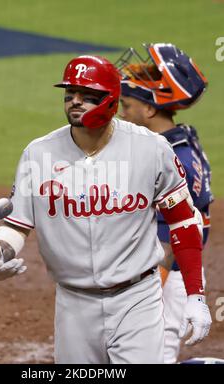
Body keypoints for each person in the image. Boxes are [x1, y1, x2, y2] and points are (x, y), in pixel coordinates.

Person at [0, 54, 212, 364]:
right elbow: (17, 224)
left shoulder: (151, 149)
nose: (75, 102)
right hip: (73, 304)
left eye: (87, 96)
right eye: (69, 95)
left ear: (111, 101)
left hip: (137, 300)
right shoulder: (38, 154)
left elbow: (182, 222)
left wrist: (195, 295)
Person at [115, 43, 214, 363]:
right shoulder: (175, 139)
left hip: (169, 268)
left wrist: (149, 289)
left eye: (126, 105)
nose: (120, 112)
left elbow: (173, 233)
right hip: (154, 262)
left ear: (149, 110)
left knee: (155, 352)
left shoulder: (175, 158)